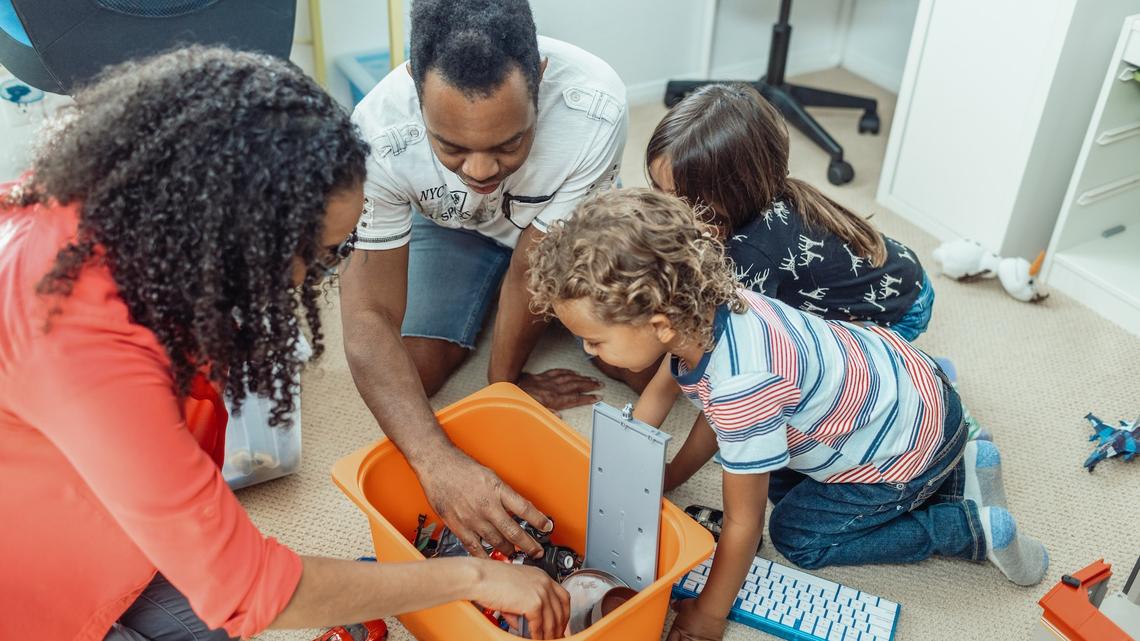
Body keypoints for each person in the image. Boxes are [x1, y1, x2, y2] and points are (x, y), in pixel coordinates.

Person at [0, 46, 568, 641]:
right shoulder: (86, 346)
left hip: (98, 520)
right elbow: (250, 590)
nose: (308, 281)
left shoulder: (115, 207)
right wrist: (471, 578)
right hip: (28, 586)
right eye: (316, 256)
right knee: (248, 604)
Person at [527, 188, 1048, 641]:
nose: (589, 352)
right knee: (765, 474)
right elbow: (667, 392)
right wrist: (651, 473)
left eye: (595, 341)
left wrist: (709, 614)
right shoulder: (711, 306)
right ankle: (966, 467)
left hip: (906, 448)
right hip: (915, 393)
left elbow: (742, 523)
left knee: (798, 533)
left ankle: (966, 525)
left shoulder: (741, 388)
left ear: (660, 325)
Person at [340, 0, 627, 557]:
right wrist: (437, 465)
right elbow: (366, 315)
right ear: (415, 89)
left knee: (640, 360)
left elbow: (531, 264)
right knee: (409, 382)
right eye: (450, 146)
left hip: (558, 239)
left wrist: (503, 386)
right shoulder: (376, 134)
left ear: (539, 79)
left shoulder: (596, 104)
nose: (480, 171)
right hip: (452, 233)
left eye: (507, 144)